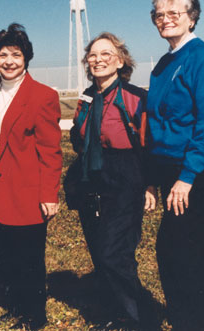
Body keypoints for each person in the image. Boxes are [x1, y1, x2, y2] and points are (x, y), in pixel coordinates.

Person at [144, 0, 204, 331]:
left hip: (198, 166)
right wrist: (151, 178)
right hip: (169, 167)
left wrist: (188, 176)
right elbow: (155, 125)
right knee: (175, 246)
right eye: (159, 15)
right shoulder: (163, 64)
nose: (165, 19)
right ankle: (185, 319)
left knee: (188, 243)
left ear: (191, 18)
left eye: (174, 13)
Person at [0, 23, 62, 329]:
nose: (9, 61)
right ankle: (10, 303)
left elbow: (51, 150)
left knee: (27, 252)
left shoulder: (42, 95)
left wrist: (49, 194)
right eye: (3, 55)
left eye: (15, 54)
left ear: (26, 58)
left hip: (23, 180)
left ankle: (33, 315)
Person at [69, 32, 149, 328]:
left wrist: (150, 184)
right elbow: (77, 136)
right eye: (93, 55)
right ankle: (113, 313)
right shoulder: (87, 97)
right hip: (91, 177)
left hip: (125, 176)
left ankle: (138, 318)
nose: (98, 59)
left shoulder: (135, 97)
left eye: (106, 54)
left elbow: (147, 143)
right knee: (98, 249)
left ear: (120, 60)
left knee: (115, 251)